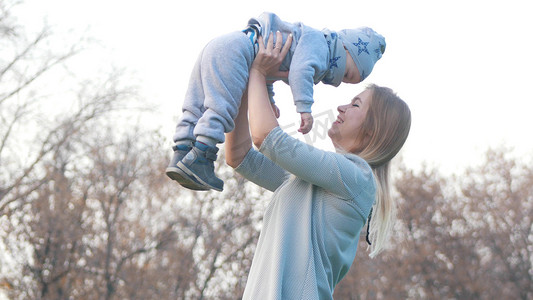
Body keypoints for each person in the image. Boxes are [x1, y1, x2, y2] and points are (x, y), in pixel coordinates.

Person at [225, 32, 411, 299]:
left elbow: (267, 138)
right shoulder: (315, 180)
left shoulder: (356, 177)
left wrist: (257, 71)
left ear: (373, 129)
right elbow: (239, 155)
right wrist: (245, 83)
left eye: (355, 104)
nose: (341, 108)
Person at [166, 12, 386, 192]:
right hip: (238, 52)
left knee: (195, 106)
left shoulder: (348, 180)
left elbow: (270, 72)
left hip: (226, 46)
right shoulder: (318, 44)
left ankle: (182, 151)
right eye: (346, 73)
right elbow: (299, 72)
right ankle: (201, 157)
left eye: (354, 102)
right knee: (219, 109)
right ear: (344, 48)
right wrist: (304, 108)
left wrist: (262, 86)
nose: (339, 84)